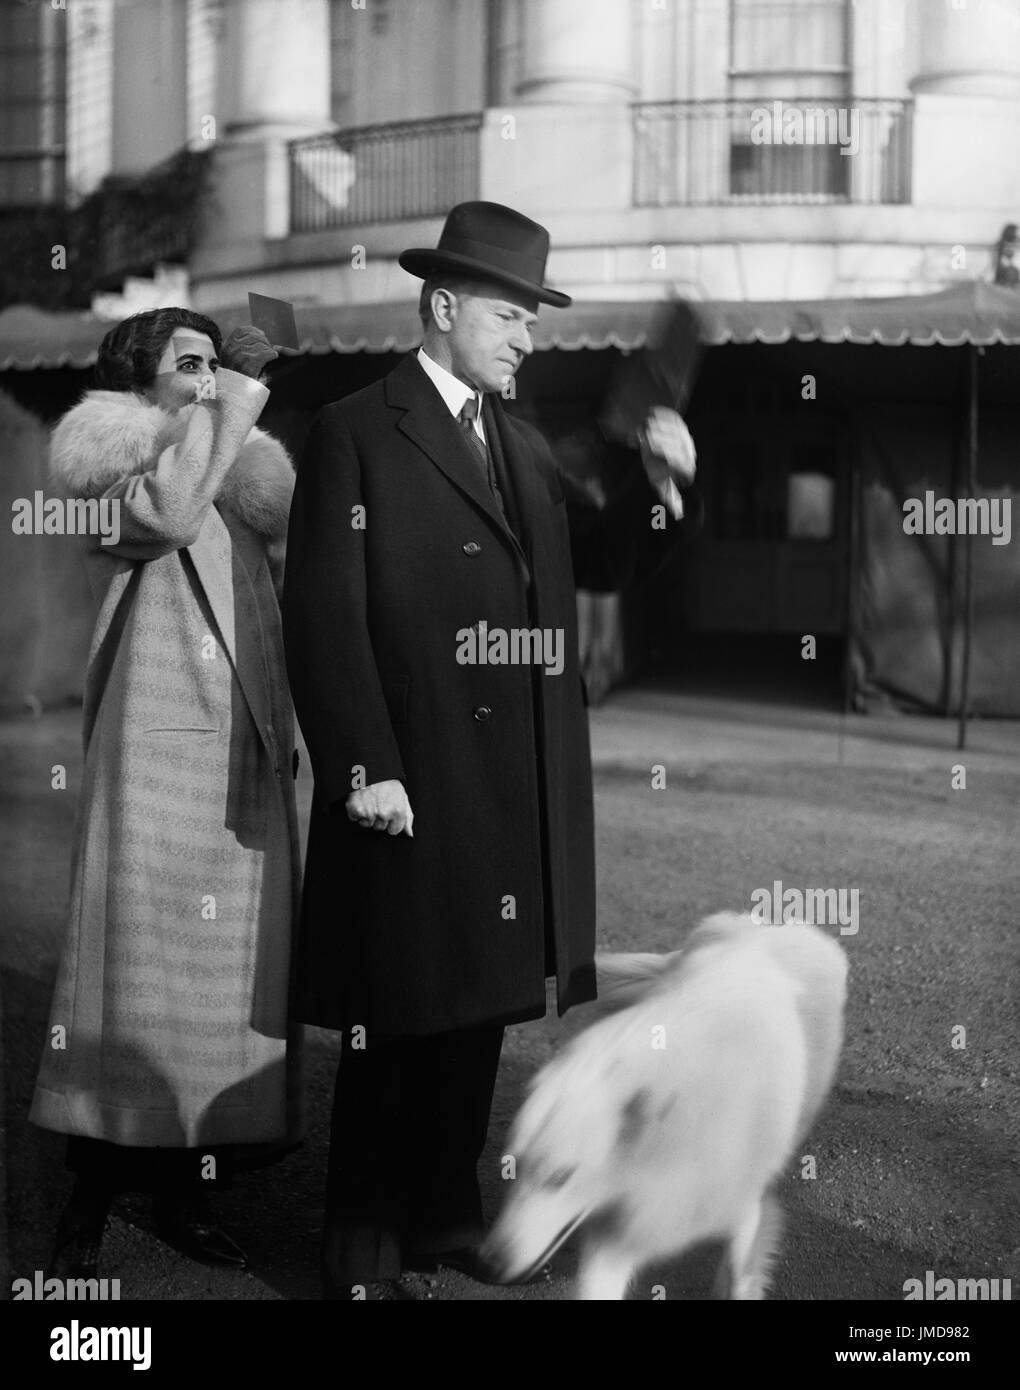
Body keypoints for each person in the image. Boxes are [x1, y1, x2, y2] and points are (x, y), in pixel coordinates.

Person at [281, 201, 698, 1300]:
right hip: (412, 783)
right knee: (395, 1024)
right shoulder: (356, 430)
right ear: (444, 305)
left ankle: (441, 1218)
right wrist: (366, 765)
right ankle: (363, 1253)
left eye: (534, 321)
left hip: (514, 791)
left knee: (470, 1023)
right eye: (512, 316)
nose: (527, 338)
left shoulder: (518, 444)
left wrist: (661, 493)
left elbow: (597, 567)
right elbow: (323, 613)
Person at [30, 307, 303, 1277]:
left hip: (241, 756)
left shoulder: (234, 467)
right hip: (154, 764)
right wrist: (232, 400)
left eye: (214, 363)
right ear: (141, 384)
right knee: (129, 986)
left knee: (217, 999)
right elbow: (170, 512)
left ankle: (187, 1192)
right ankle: (88, 1197)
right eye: (190, 363)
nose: (209, 376)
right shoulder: (116, 464)